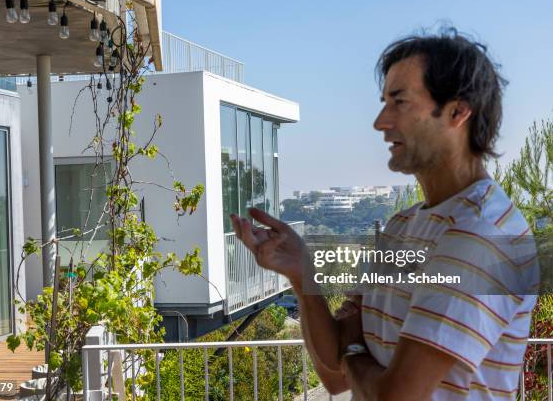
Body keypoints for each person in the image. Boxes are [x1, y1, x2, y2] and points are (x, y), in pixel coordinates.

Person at [230, 29, 538, 400]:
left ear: (457, 112)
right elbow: (334, 373)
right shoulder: (401, 227)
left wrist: (355, 351)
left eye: (400, 103)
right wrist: (302, 273)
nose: (380, 122)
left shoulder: (481, 234)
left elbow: (392, 396)